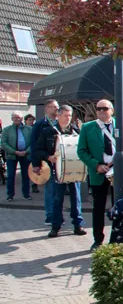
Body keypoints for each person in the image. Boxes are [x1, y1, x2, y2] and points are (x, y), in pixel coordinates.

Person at [77, 99, 123, 251]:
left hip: (119, 172)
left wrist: (122, 157)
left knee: (121, 205)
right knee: (98, 207)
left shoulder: (121, 123)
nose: (101, 111)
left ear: (111, 110)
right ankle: (98, 240)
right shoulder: (88, 127)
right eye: (98, 109)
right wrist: (96, 165)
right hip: (99, 172)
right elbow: (81, 151)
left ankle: (120, 238)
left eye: (104, 108)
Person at [33, 105, 87, 238]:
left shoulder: (76, 130)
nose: (68, 118)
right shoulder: (48, 131)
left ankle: (78, 225)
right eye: (65, 116)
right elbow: (38, 150)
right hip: (57, 171)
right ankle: (55, 226)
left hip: (74, 170)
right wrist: (48, 157)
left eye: (70, 116)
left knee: (76, 199)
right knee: (57, 199)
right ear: (59, 116)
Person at [32, 101, 60, 219]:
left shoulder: (61, 122)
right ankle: (49, 215)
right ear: (46, 109)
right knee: (50, 189)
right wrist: (35, 164)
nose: (55, 109)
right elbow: (34, 145)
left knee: (59, 191)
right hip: (46, 162)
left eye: (57, 107)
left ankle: (58, 215)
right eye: (53, 107)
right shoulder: (40, 124)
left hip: (61, 162)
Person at [3, 111, 32, 201]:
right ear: (12, 119)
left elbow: (34, 142)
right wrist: (15, 152)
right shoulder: (7, 130)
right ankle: (10, 195)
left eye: (19, 117)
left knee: (26, 175)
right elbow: (3, 143)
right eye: (15, 117)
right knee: (11, 175)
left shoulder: (29, 129)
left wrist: (26, 151)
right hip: (11, 156)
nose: (17, 119)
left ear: (22, 119)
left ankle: (26, 194)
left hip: (25, 155)